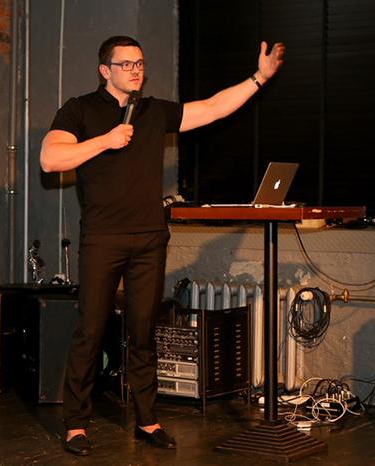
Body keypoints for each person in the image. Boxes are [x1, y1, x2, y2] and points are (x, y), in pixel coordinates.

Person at [40, 35, 285, 456]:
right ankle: (76, 424)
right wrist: (106, 140)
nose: (136, 70)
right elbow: (50, 159)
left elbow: (212, 108)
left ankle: (147, 420)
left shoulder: (153, 111)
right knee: (91, 330)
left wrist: (258, 79)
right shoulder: (79, 109)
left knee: (143, 332)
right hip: (102, 238)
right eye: (126, 64)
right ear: (105, 71)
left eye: (140, 63)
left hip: (149, 238)